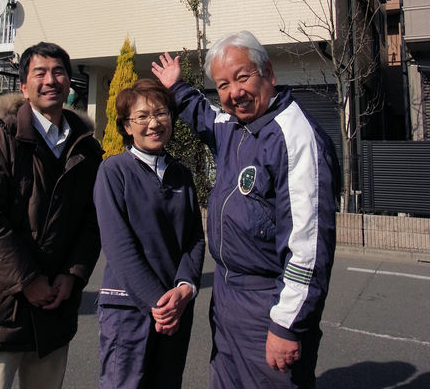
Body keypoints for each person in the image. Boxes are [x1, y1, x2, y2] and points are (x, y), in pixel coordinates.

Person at [152, 31, 340, 389]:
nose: (234, 93)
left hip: (268, 303)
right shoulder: (233, 124)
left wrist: (287, 324)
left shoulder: (294, 135)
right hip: (226, 298)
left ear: (267, 72)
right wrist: (176, 87)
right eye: (223, 84)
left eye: (242, 77)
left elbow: (308, 247)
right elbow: (202, 115)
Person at [0, 42, 103, 389]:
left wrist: (72, 275)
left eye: (59, 72)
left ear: (69, 84)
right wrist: (27, 280)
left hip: (54, 307)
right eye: (40, 72)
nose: (50, 79)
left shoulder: (86, 148)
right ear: (23, 87)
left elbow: (91, 222)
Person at [94, 78, 205, 389]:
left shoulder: (181, 173)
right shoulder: (114, 171)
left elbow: (195, 237)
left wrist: (186, 287)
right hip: (129, 310)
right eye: (142, 116)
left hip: (175, 307)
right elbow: (119, 247)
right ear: (127, 127)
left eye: (161, 114)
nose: (153, 123)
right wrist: (160, 305)